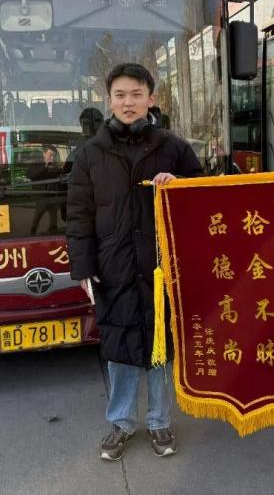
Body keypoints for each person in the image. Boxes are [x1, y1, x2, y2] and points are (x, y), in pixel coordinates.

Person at [66, 62, 202, 461]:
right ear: (108, 100)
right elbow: (78, 216)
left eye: (136, 94)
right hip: (113, 267)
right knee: (119, 347)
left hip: (161, 266)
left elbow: (204, 194)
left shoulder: (173, 148)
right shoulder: (89, 155)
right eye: (121, 95)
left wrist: (179, 186)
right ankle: (121, 422)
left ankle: (159, 422)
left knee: (160, 346)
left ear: (151, 99)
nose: (128, 103)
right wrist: (83, 267)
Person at [28, 144, 63, 235]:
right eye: (50, 155)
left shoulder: (55, 165)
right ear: (44, 153)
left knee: (54, 217)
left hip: (53, 197)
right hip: (41, 197)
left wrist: (59, 170)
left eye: (53, 156)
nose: (52, 158)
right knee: (37, 217)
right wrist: (45, 167)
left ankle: (53, 232)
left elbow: (59, 178)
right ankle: (32, 233)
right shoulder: (36, 164)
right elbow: (30, 175)